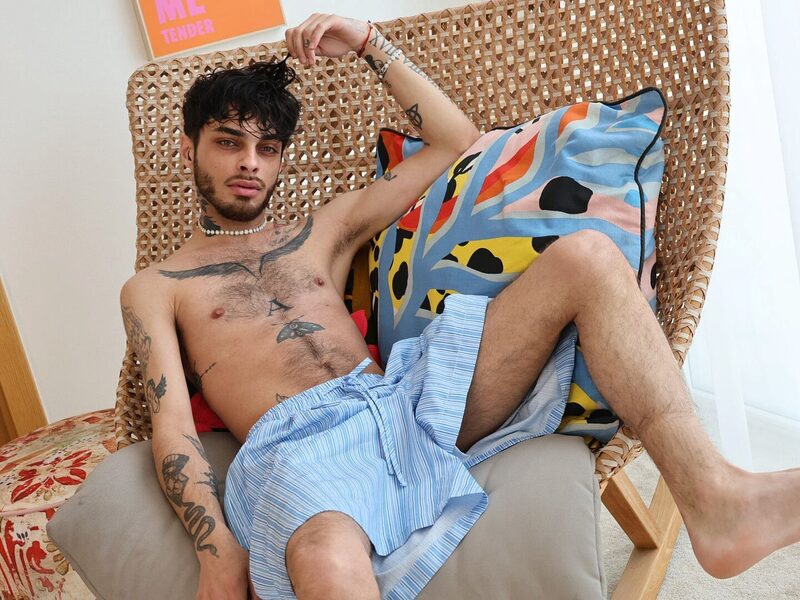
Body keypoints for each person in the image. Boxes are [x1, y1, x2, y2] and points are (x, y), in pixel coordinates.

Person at [120, 12, 800, 600]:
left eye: (266, 148)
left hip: (403, 399)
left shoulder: (320, 232)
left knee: (588, 256)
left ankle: (715, 499)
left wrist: (367, 41)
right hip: (299, 453)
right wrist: (217, 551)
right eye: (228, 141)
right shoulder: (157, 286)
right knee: (324, 558)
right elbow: (172, 426)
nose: (250, 162)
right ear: (188, 147)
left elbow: (454, 140)